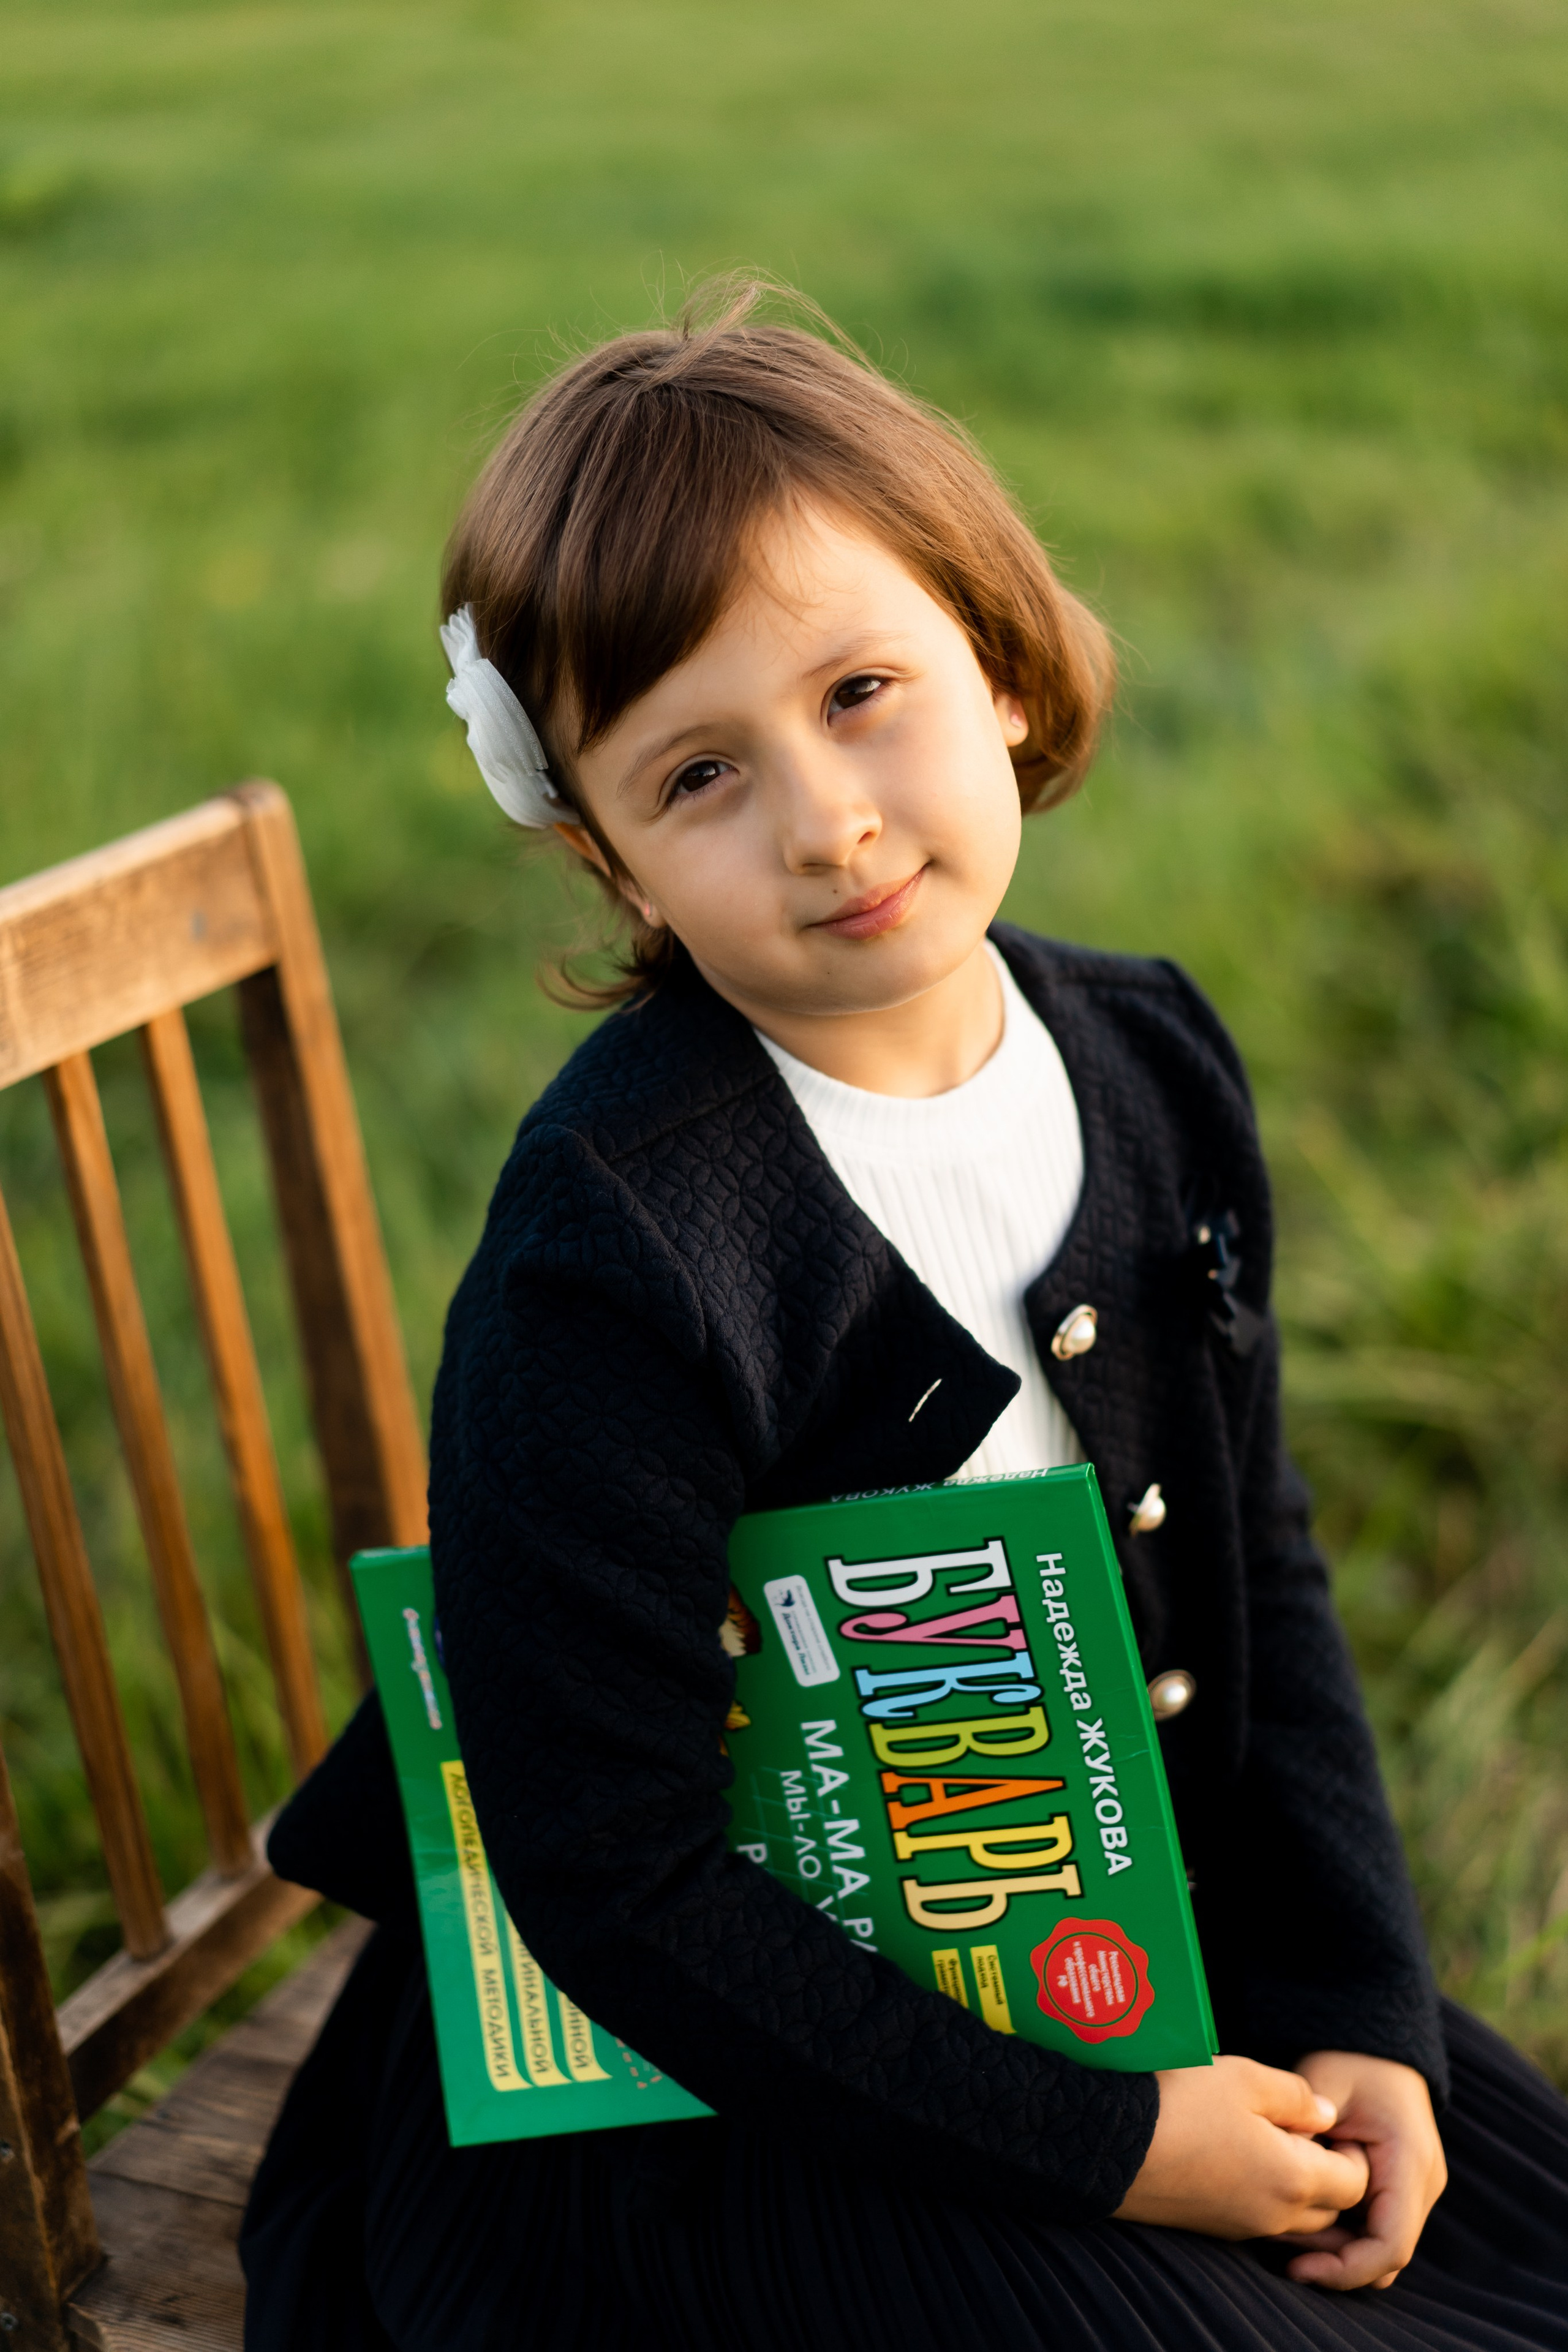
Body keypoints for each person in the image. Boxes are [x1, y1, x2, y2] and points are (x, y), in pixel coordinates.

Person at [239, 282, 1568, 2351]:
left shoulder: (1148, 1063)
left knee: (1500, 2237)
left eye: (863, 690)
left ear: (1003, 667)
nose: (826, 819)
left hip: (1077, 1933)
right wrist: (1114, 2147)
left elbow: (1262, 1559)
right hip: (696, 2080)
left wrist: (1357, 2002)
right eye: (700, 774)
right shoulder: (617, 1249)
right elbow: (608, 1875)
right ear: (613, 861)